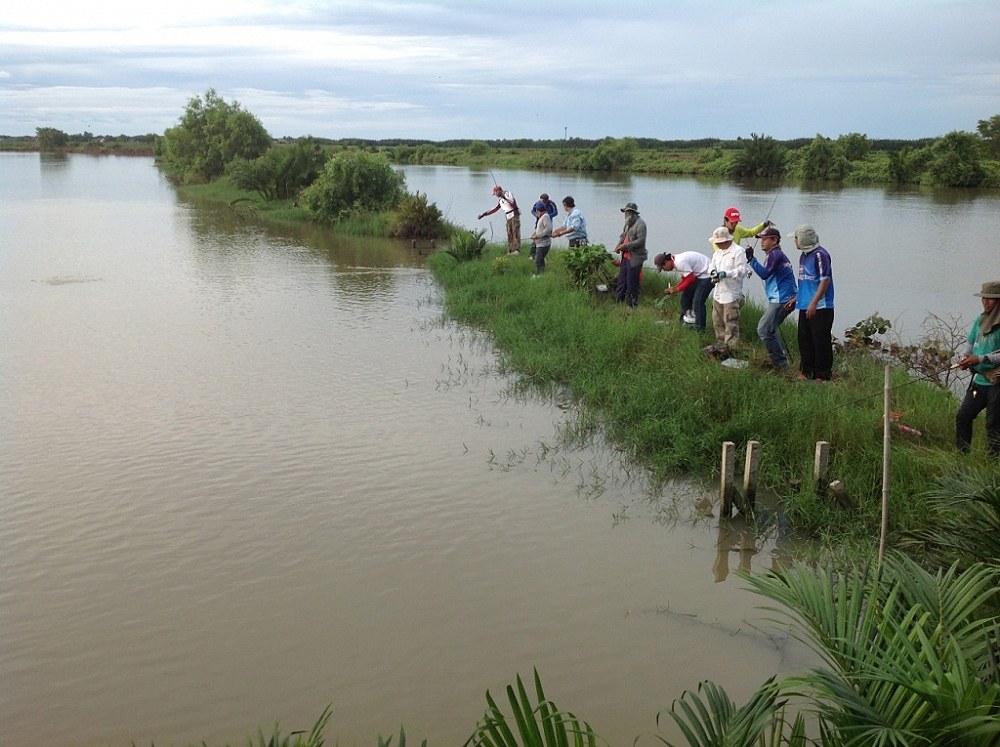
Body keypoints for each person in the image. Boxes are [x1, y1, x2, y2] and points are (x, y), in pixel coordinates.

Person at [955, 280, 1000, 457]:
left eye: (990, 299)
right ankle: (962, 455)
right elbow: (969, 345)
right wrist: (964, 359)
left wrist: (980, 358)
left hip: (996, 383)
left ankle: (994, 463)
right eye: (984, 298)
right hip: (979, 381)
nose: (985, 302)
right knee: (963, 416)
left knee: (993, 424)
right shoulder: (980, 319)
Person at [746, 226, 797, 369]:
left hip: (782, 299)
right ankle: (781, 361)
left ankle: (781, 364)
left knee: (764, 329)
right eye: (760, 239)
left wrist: (751, 259)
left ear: (774, 240)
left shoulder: (775, 255)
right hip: (785, 298)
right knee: (770, 329)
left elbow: (765, 274)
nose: (761, 242)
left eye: (764, 239)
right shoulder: (776, 254)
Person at [793, 224, 835, 381]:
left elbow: (825, 281)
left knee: (820, 340)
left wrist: (814, 303)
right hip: (804, 305)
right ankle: (806, 371)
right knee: (804, 339)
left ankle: (822, 375)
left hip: (821, 307)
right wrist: (797, 298)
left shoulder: (821, 255)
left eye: (796, 238)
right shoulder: (803, 256)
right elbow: (805, 282)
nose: (795, 241)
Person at [707, 226, 751, 351]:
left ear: (725, 240)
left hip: (731, 294)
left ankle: (732, 349)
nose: (717, 244)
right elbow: (711, 266)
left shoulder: (738, 251)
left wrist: (726, 273)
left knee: (731, 323)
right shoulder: (717, 253)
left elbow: (742, 271)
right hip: (718, 294)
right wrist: (713, 272)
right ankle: (721, 347)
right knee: (717, 321)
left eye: (719, 242)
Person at [654, 251, 713, 332]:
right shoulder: (677, 262)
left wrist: (677, 289)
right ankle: (685, 322)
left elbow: (690, 278)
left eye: (663, 268)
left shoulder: (680, 262)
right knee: (685, 299)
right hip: (698, 276)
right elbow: (685, 279)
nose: (665, 270)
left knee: (698, 302)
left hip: (708, 275)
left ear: (666, 262)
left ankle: (700, 329)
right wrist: (675, 288)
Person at [613, 202, 647, 308]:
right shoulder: (627, 224)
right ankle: (618, 304)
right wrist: (618, 246)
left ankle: (632, 305)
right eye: (625, 212)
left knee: (632, 283)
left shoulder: (640, 224)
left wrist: (625, 246)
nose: (625, 215)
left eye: (627, 212)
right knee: (621, 282)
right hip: (625, 258)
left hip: (635, 259)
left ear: (632, 213)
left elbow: (641, 241)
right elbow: (623, 236)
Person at [477, 184, 521, 254]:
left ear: (499, 191)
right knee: (509, 233)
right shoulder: (500, 199)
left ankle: (517, 250)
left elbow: (512, 202)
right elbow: (494, 209)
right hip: (507, 216)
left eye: (495, 193)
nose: (495, 195)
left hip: (514, 215)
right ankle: (510, 250)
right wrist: (484, 214)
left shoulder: (508, 193)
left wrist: (504, 197)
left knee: (515, 232)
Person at [529, 199, 553, 275]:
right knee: (540, 260)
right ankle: (542, 274)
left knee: (538, 260)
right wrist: (534, 234)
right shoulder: (541, 217)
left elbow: (548, 229)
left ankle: (539, 275)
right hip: (539, 243)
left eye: (537, 210)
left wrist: (538, 235)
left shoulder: (546, 217)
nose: (536, 212)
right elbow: (538, 229)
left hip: (544, 244)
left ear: (539, 210)